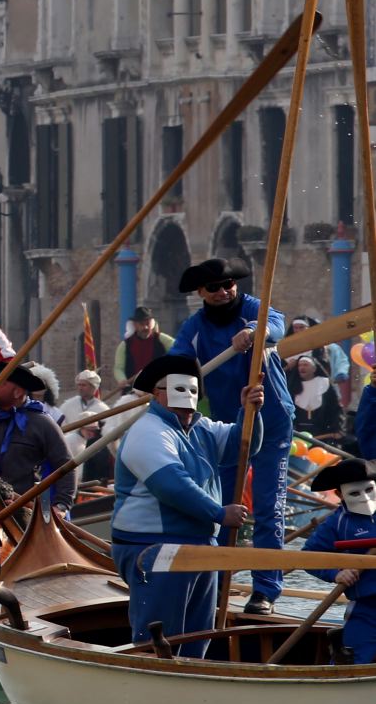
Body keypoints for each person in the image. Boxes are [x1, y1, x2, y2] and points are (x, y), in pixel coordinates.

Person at [111, 352, 260, 653]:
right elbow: (172, 486)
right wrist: (219, 513)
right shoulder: (147, 431)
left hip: (200, 545)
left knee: (197, 635)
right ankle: (153, 684)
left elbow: (243, 446)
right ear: (156, 393)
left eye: (193, 390)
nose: (187, 398)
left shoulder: (202, 429)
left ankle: (193, 683)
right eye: (178, 390)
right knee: (161, 635)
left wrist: (250, 412)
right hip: (155, 546)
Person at [170, 258, 293, 614]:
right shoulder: (193, 328)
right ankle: (218, 580)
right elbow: (179, 363)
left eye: (229, 285)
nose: (224, 292)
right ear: (201, 293)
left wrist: (255, 332)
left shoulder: (255, 307)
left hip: (271, 422)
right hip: (228, 427)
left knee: (268, 508)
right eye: (215, 288)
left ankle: (265, 591)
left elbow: (277, 325)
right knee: (220, 508)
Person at [304, 456, 376, 662]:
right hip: (367, 607)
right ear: (339, 494)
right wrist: (337, 574)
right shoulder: (336, 523)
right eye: (355, 492)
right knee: (351, 664)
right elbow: (309, 557)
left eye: (369, 489)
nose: (364, 497)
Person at [0, 364, 77, 516]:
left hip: (25, 509)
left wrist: (62, 505)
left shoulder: (41, 422)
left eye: (2, 383)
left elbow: (65, 464)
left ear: (18, 392)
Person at [55, 370, 113, 482]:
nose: (80, 388)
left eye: (84, 385)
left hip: (93, 457)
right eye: (79, 385)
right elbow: (60, 428)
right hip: (69, 450)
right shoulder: (67, 405)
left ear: (93, 387)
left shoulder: (103, 409)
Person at [123, 308, 175, 379]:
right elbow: (118, 368)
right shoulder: (126, 344)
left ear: (152, 323)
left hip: (158, 385)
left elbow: (178, 348)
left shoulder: (161, 339)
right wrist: (122, 380)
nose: (145, 327)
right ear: (135, 325)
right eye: (141, 324)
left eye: (148, 323)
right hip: (133, 387)